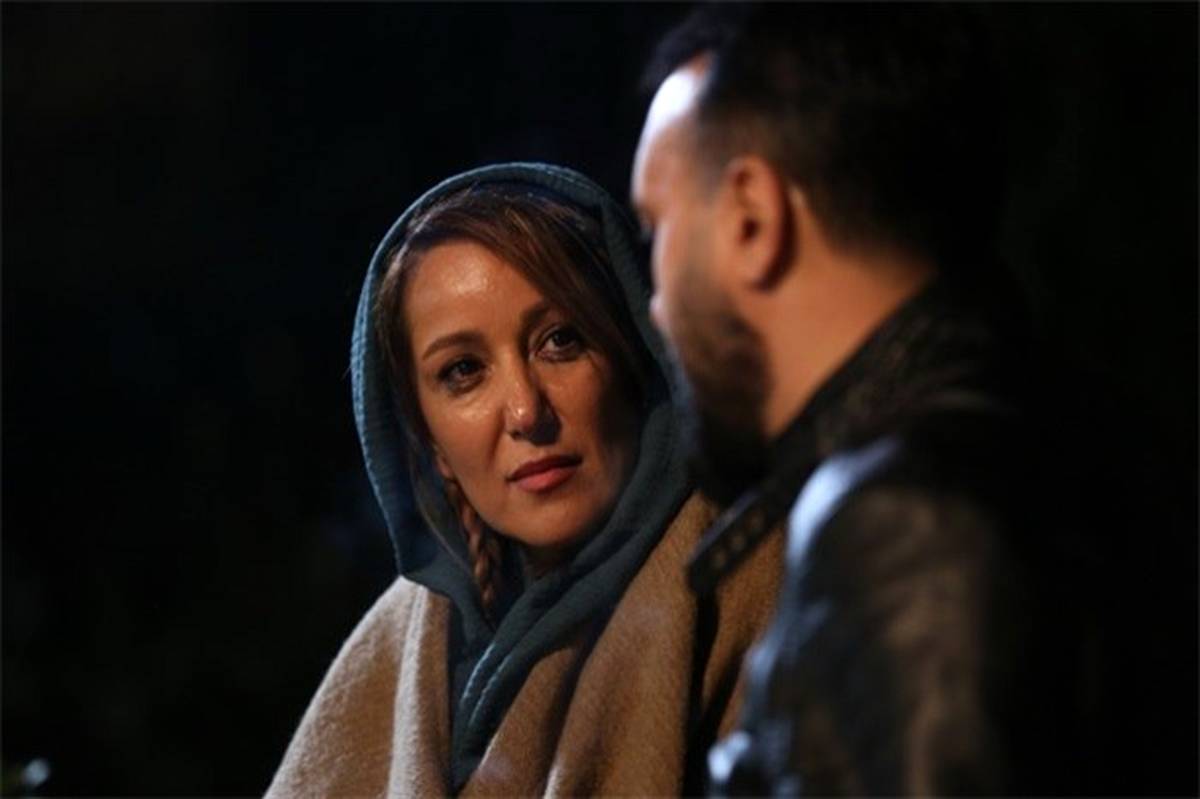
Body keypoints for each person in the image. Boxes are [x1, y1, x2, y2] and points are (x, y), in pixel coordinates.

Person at [631, 3, 1195, 795]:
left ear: (752, 217)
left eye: (656, 226)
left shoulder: (907, 524)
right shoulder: (1077, 441)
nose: (657, 303)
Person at [266, 162, 782, 797]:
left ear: (633, 354)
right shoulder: (397, 645)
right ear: (429, 440)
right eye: (463, 371)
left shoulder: (760, 570)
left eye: (561, 340)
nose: (525, 412)